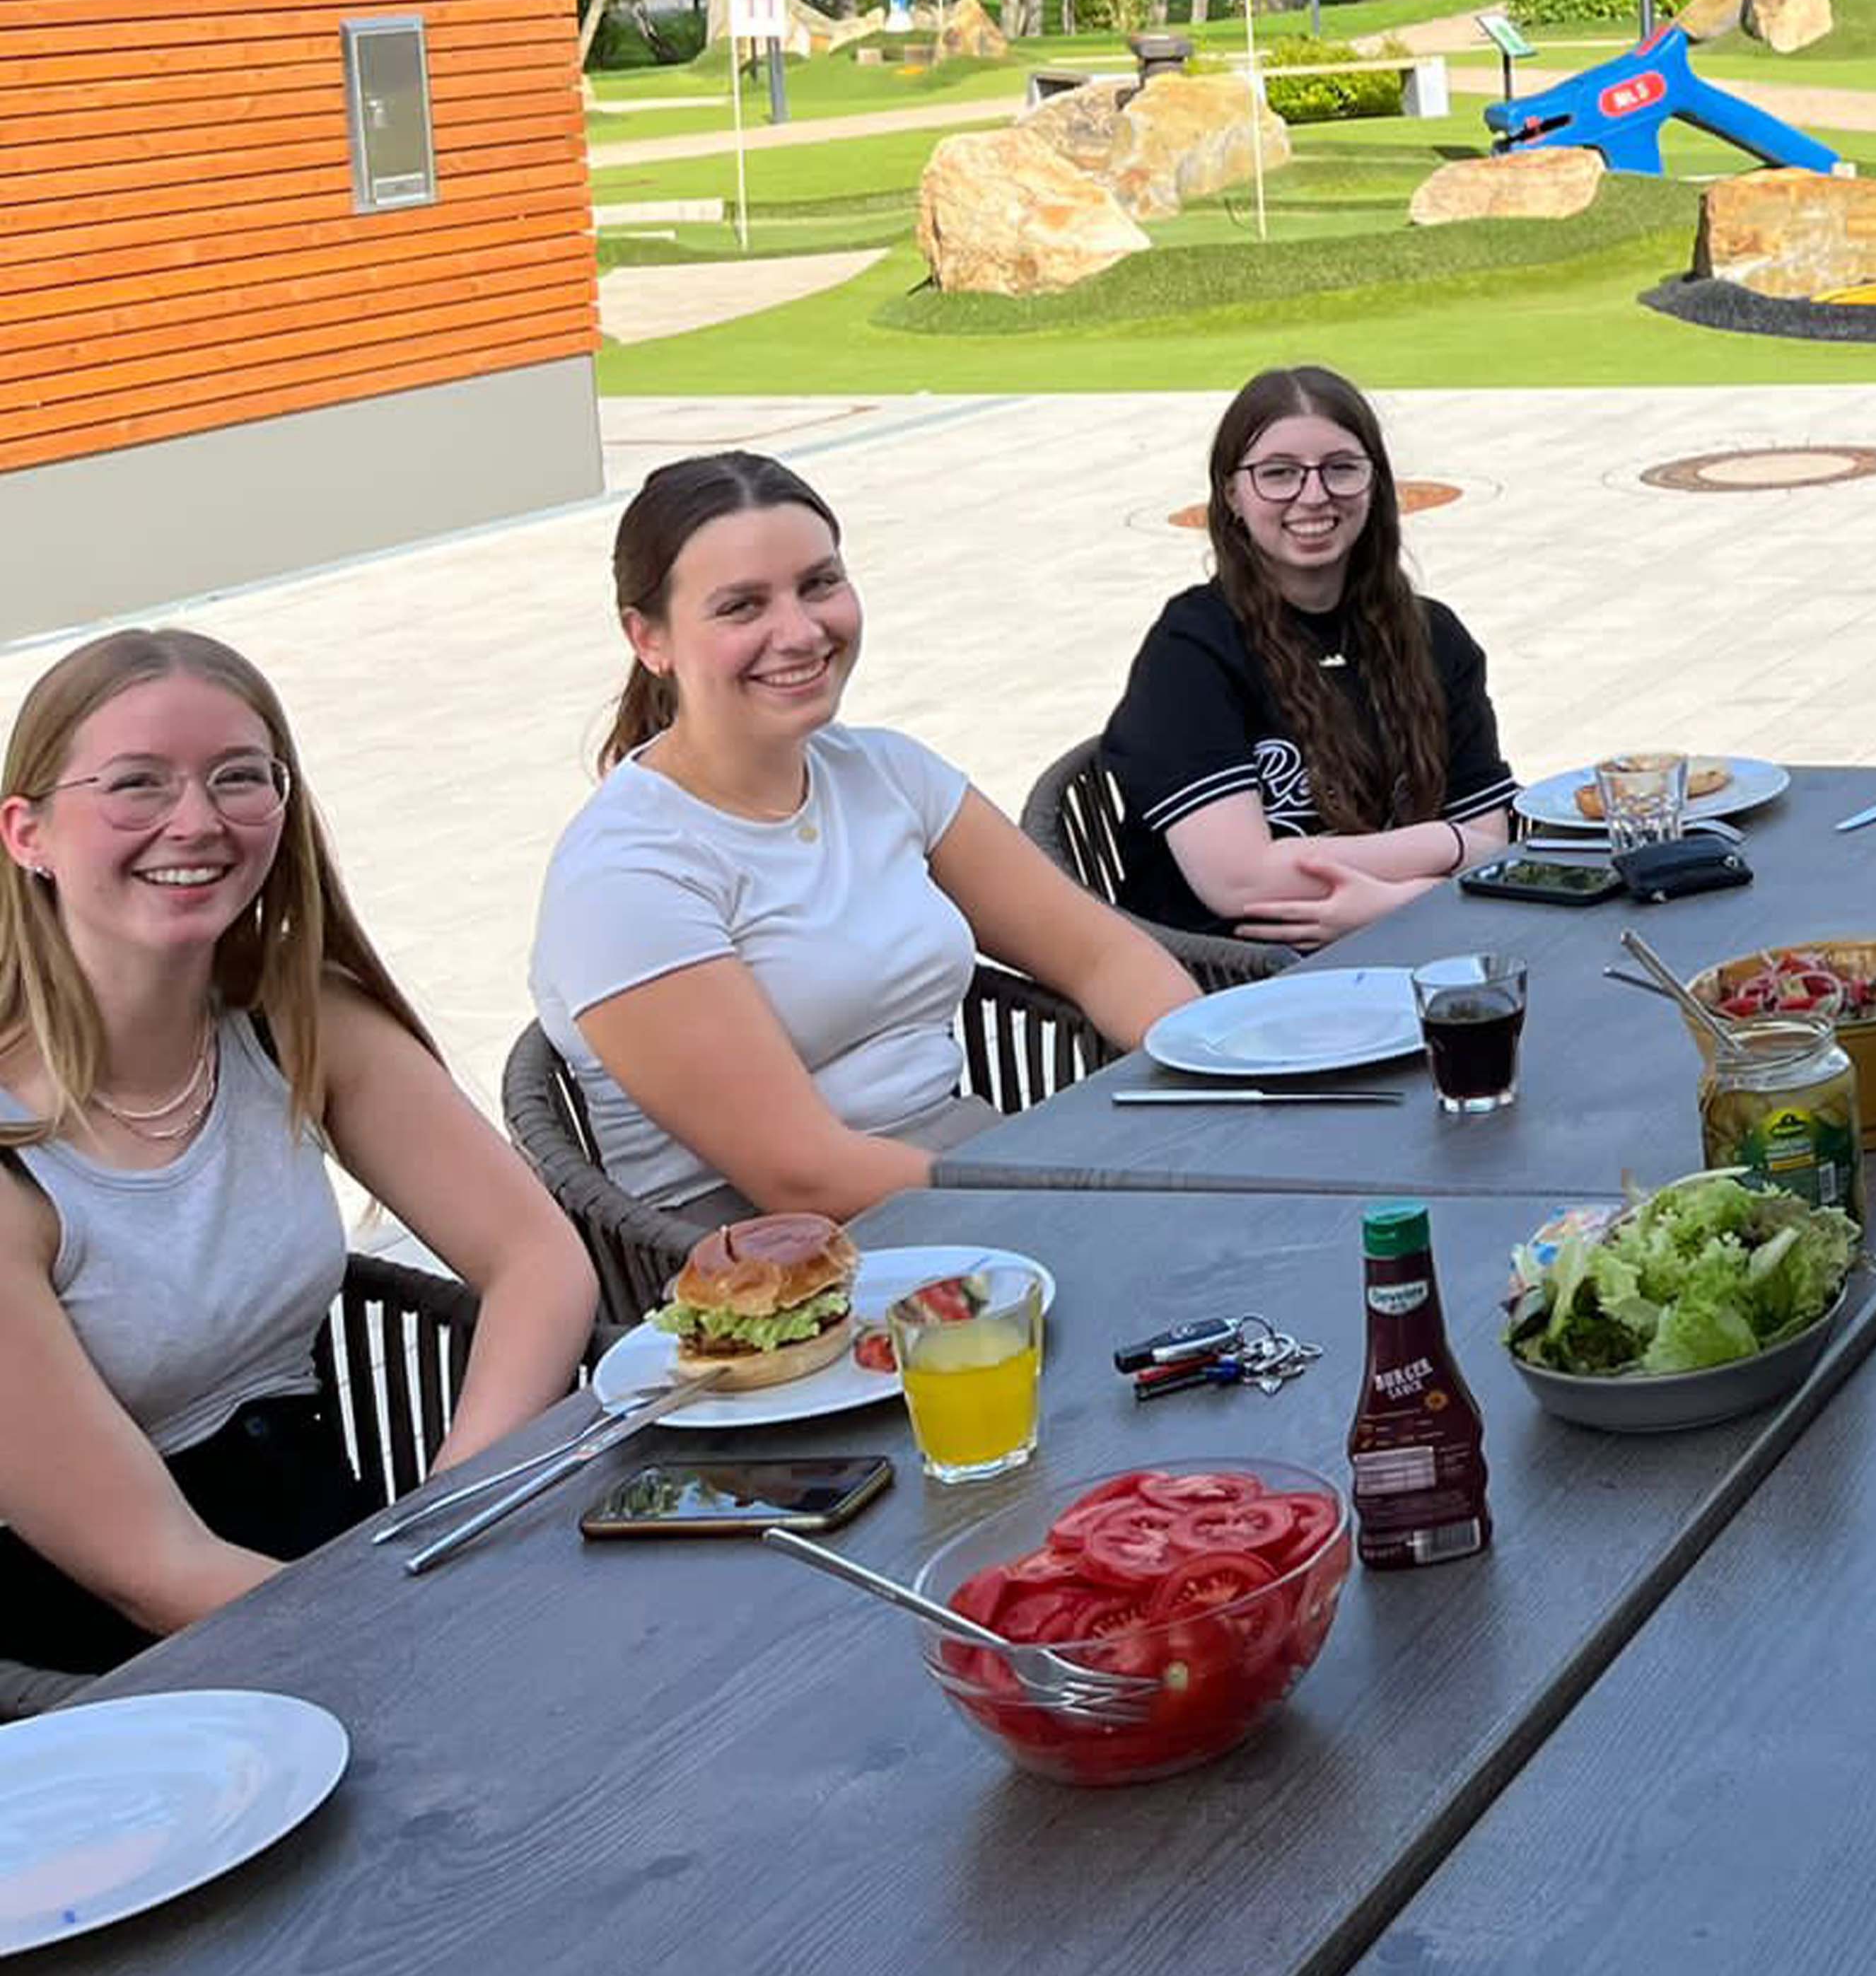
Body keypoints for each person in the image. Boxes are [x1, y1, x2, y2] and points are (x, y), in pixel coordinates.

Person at [1, 632, 594, 1673]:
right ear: (27, 832)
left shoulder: (294, 1018)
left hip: (339, 1545)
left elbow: (538, 1260)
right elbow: (151, 1568)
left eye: (239, 777)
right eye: (137, 784)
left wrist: (449, 1513)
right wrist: (406, 1626)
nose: (198, 821)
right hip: (111, 1669)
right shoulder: (18, 1166)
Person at [535, 453, 1199, 1230]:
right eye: (742, 607)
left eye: (819, 584)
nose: (800, 631)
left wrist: (1210, 1078)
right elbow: (802, 1174)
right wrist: (1071, 1192)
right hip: (789, 1252)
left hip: (965, 1167)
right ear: (649, 639)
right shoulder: (626, 875)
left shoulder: (884, 771)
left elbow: (1103, 957)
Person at [1104, 367, 1520, 945]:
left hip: (1416, 950)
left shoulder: (1435, 637)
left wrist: (1395, 906)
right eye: (1278, 473)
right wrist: (1443, 846)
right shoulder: (1191, 650)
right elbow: (1241, 880)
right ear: (1233, 494)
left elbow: (1492, 848)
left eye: (1341, 468)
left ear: (1375, 483)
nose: (1314, 494)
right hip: (1235, 978)